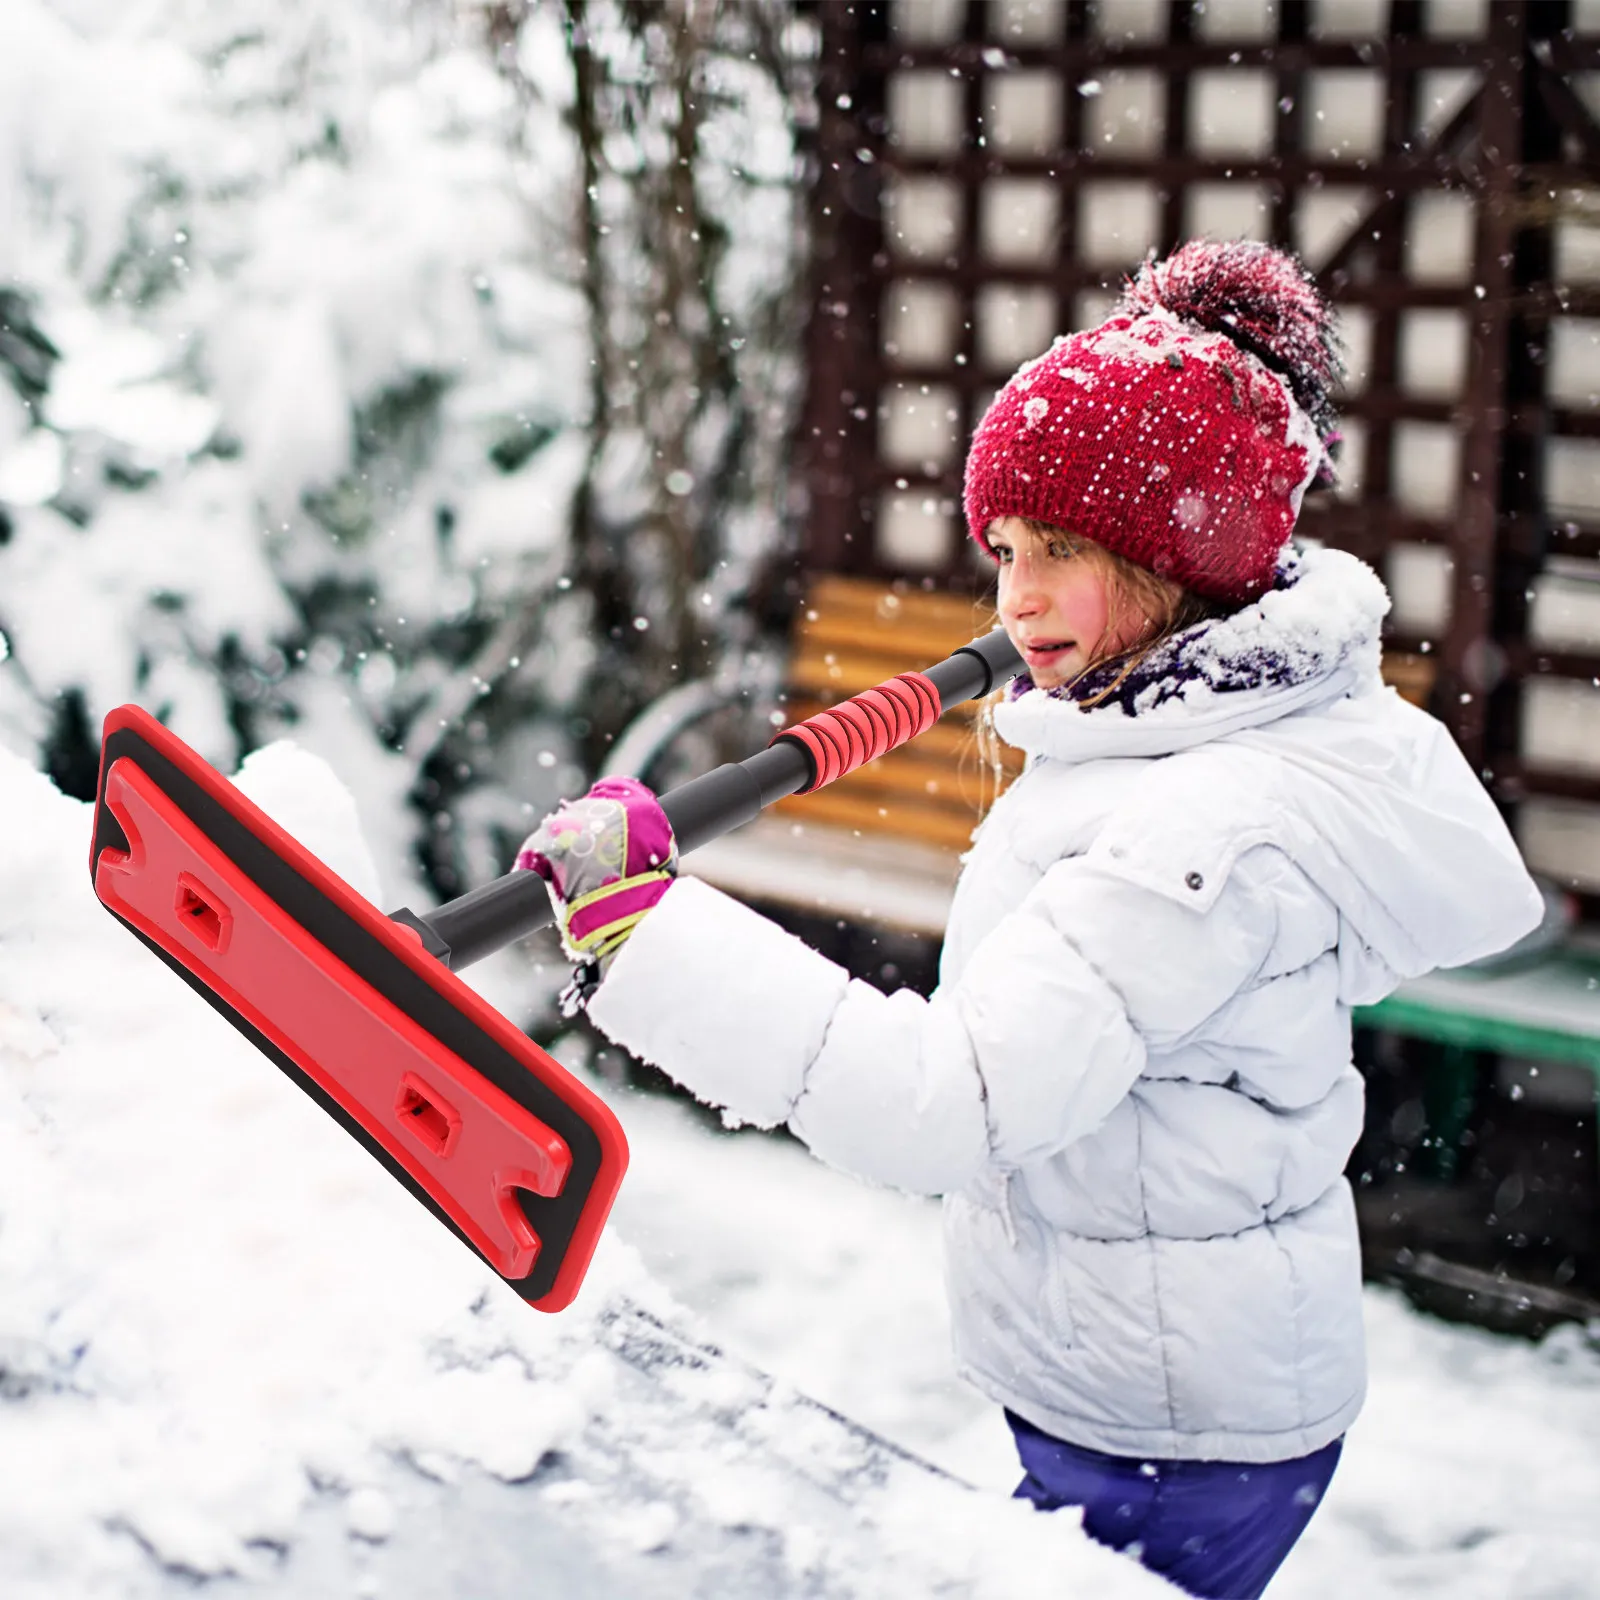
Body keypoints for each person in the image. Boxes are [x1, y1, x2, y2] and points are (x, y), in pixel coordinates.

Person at [516, 240, 1542, 1599]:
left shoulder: (1200, 831)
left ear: (1186, 561)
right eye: (1004, 548)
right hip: (1147, 1377)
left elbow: (951, 1104)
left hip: (1170, 1431)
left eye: (1061, 550)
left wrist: (650, 936)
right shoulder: (1162, 731)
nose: (1012, 597)